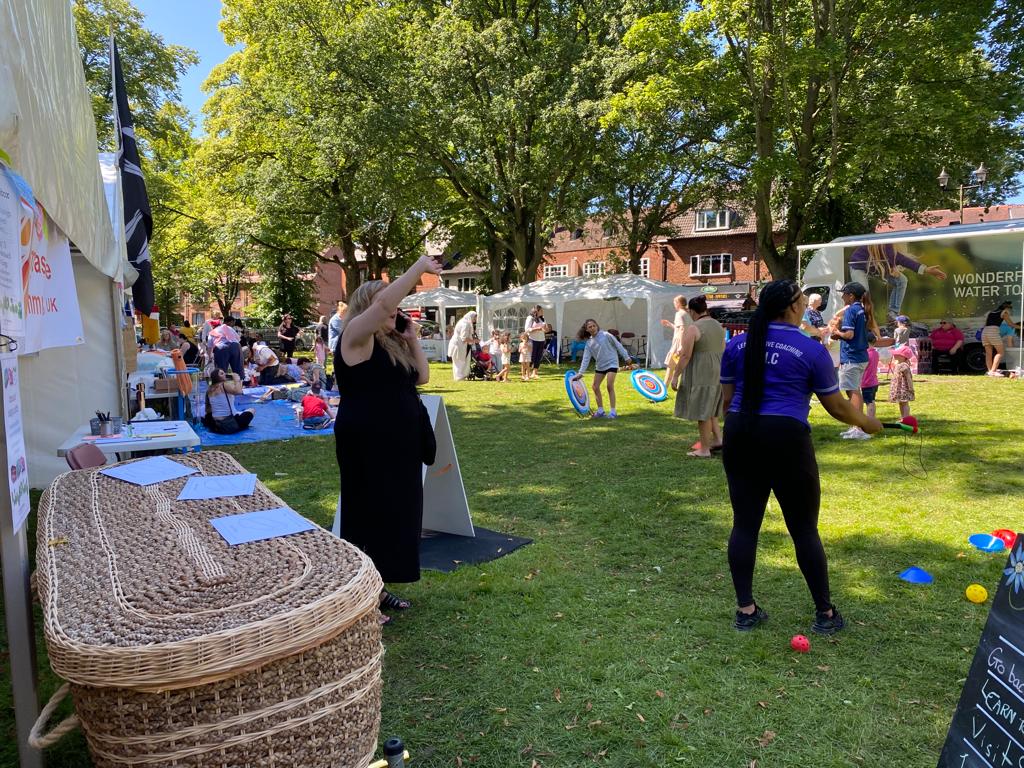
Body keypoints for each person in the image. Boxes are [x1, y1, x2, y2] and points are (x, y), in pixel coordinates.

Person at [720, 279, 882, 635]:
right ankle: (825, 614)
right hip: (786, 438)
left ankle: (745, 610)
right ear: (795, 307)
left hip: (740, 433)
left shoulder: (737, 344)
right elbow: (837, 406)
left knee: (744, 524)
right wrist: (869, 423)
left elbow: (725, 400)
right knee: (804, 528)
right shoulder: (809, 349)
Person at [335, 254, 442, 625]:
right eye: (388, 301)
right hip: (368, 441)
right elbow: (383, 302)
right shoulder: (355, 337)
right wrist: (419, 267)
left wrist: (411, 340)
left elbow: (422, 377)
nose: (395, 308)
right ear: (370, 305)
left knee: (398, 514)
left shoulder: (390, 343)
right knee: (369, 514)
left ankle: (377, 589)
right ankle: (358, 599)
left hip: (400, 443)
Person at [673, 296, 725, 457]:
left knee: (703, 409)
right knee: (711, 408)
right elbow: (722, 347)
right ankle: (718, 439)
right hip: (719, 369)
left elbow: (685, 356)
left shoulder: (694, 328)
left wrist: (675, 376)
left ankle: (704, 449)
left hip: (702, 372)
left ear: (692, 311)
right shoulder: (718, 325)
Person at [848, 243, 946, 321]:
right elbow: (900, 259)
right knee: (863, 292)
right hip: (858, 266)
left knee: (902, 280)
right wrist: (892, 267)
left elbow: (903, 260)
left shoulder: (890, 247)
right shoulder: (880, 245)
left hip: (877, 266)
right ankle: (862, 316)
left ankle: (893, 312)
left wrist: (926, 269)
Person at [572, 319, 633, 419]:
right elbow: (586, 359)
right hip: (600, 366)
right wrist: (580, 373)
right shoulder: (589, 343)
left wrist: (626, 357)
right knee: (595, 387)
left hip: (612, 363)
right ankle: (600, 411)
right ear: (587, 329)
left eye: (594, 326)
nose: (592, 328)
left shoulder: (606, 335)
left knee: (609, 385)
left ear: (597, 326)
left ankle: (613, 412)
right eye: (590, 327)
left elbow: (618, 345)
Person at [830, 282, 870, 433]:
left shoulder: (851, 311)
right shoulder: (861, 309)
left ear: (851, 296)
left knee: (852, 391)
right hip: (861, 356)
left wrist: (837, 332)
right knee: (855, 389)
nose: (842, 296)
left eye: (844, 294)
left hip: (852, 356)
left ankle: (857, 427)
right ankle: (857, 425)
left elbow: (849, 334)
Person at [846, 332, 880, 440]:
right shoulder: (875, 353)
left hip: (867, 382)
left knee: (868, 402)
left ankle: (869, 421)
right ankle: (870, 419)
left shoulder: (866, 354)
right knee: (871, 401)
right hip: (874, 382)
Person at [202, 369, 255, 434]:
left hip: (215, 425)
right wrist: (237, 379)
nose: (224, 374)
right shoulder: (224, 385)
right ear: (216, 377)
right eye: (221, 373)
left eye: (224, 372)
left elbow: (208, 410)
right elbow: (239, 392)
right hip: (229, 425)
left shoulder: (209, 390)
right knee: (252, 410)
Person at [661, 295, 692, 385]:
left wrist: (680, 346)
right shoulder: (688, 314)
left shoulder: (679, 314)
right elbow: (680, 329)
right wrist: (670, 324)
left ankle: (662, 392)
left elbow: (682, 329)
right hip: (688, 344)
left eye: (674, 302)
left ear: (678, 303)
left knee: (670, 367)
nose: (674, 304)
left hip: (678, 345)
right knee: (683, 368)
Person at [982, 301, 1013, 376]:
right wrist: (1021, 327)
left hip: (985, 331)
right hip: (993, 331)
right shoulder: (1004, 313)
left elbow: (985, 324)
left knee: (988, 353)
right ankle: (993, 371)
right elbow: (1010, 324)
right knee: (1000, 352)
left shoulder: (990, 312)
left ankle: (990, 371)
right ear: (1006, 308)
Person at [448, 311, 478, 381]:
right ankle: (459, 377)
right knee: (459, 361)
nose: (475, 320)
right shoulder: (465, 324)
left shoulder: (464, 322)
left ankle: (460, 376)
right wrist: (474, 341)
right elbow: (464, 338)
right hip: (458, 345)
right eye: (474, 318)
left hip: (460, 344)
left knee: (461, 360)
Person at [888, 345, 915, 418]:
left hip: (904, 388)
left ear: (903, 356)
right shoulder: (898, 364)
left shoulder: (904, 365)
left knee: (905, 403)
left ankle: (906, 417)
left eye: (898, 354)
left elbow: (908, 377)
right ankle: (902, 417)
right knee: (900, 402)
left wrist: (911, 387)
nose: (895, 355)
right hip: (899, 388)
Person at [524, 305, 548, 380]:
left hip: (541, 339)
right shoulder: (530, 318)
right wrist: (537, 328)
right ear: (536, 311)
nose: (542, 312)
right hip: (532, 339)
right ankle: (526, 373)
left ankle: (535, 373)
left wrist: (545, 329)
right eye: (541, 310)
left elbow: (546, 329)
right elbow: (527, 329)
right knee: (532, 357)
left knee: (538, 357)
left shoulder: (542, 318)